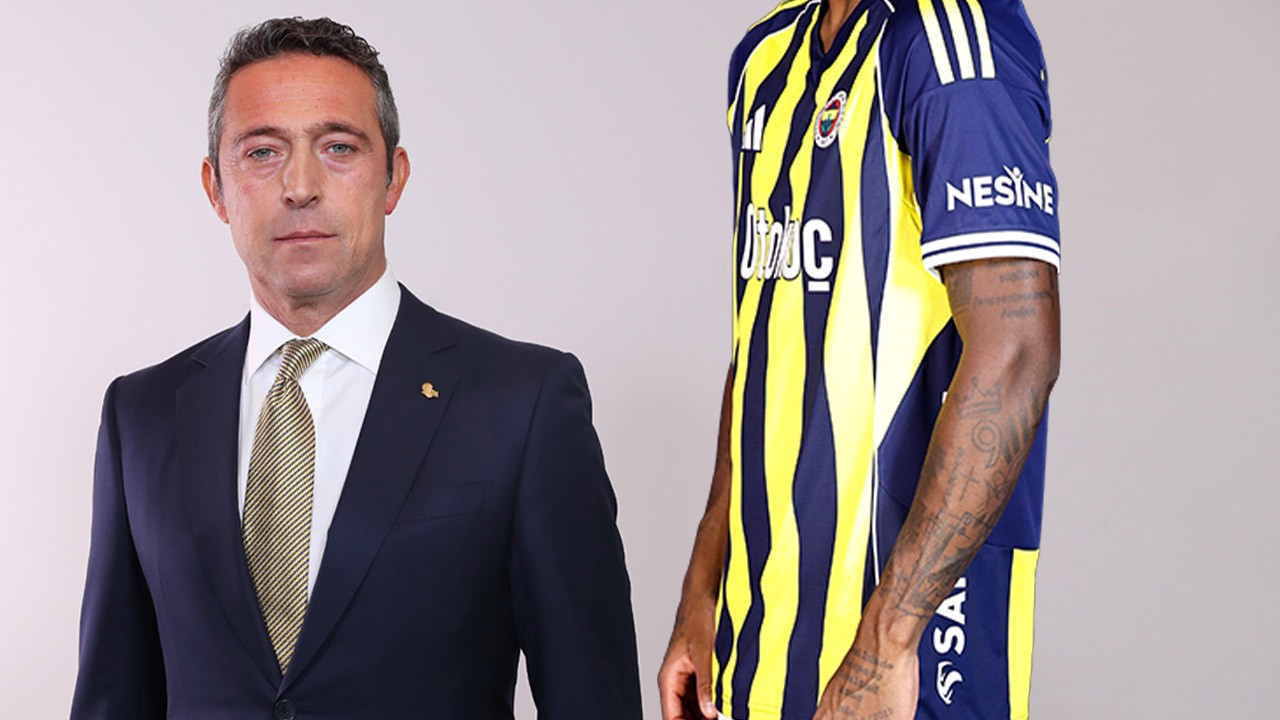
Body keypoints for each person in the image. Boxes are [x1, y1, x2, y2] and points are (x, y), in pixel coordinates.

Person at [71, 17, 642, 719]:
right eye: (262, 152)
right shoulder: (142, 415)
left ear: (393, 178)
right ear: (215, 188)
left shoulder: (521, 405)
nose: (300, 186)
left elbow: (592, 700)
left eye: (338, 148)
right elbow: (112, 697)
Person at [658, 0, 1060, 718]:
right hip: (757, 650)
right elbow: (764, 342)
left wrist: (887, 642)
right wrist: (702, 587)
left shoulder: (953, 46)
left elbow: (1018, 350)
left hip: (903, 667)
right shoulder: (765, 57)